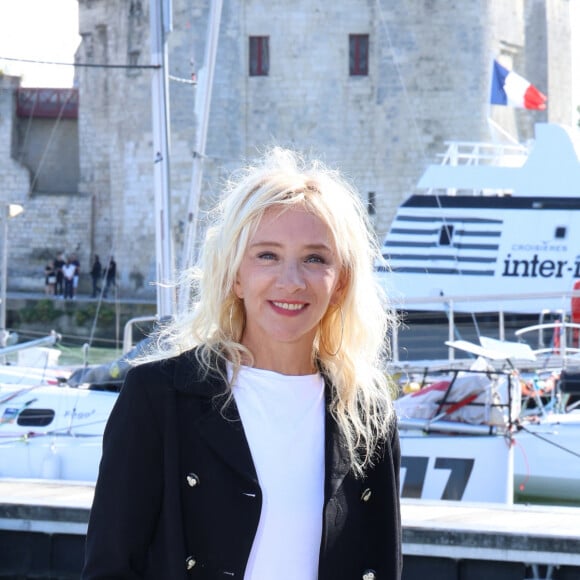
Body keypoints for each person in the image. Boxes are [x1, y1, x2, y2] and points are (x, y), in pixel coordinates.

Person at [82, 148, 402, 579]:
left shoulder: (366, 415)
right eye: (267, 255)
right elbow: (111, 567)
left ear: (340, 280)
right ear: (235, 274)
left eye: (315, 258)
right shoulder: (159, 397)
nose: (291, 280)